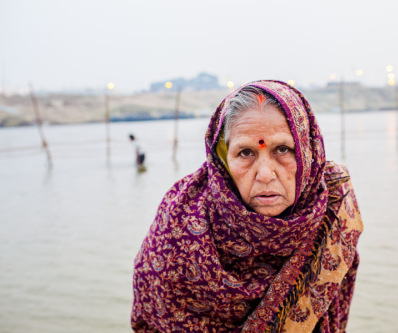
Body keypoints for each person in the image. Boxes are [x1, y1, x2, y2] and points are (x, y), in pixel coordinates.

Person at [131, 80, 363, 332]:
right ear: (222, 159)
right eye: (245, 153)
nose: (265, 174)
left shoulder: (333, 207)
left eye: (283, 149)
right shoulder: (177, 227)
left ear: (309, 153)